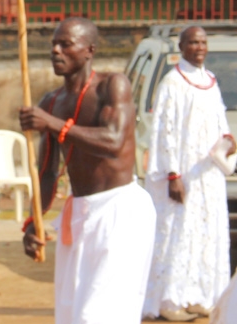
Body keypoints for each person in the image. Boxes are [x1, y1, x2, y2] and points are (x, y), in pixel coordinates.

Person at [19, 17, 155, 324]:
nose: (55, 50)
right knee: (71, 313)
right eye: (53, 44)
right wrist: (33, 222)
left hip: (119, 212)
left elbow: (114, 141)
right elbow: (47, 173)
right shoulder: (51, 101)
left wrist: (51, 124)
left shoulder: (112, 84)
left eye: (65, 44)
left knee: (100, 315)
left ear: (89, 50)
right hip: (78, 214)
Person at [143, 26, 235, 321]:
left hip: (209, 175)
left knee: (207, 234)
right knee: (178, 232)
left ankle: (201, 295)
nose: (199, 47)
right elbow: (165, 131)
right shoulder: (172, 82)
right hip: (182, 172)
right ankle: (169, 300)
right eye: (193, 42)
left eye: (203, 42)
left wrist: (228, 140)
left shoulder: (210, 80)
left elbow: (220, 121)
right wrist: (172, 174)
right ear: (181, 46)